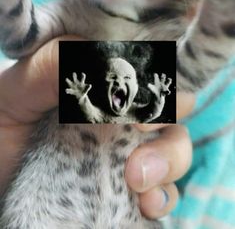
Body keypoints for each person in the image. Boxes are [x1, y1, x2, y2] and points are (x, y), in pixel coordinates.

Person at [0, 35, 194, 220]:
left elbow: (151, 112)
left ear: (137, 85)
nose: (119, 83)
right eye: (112, 79)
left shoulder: (138, 102)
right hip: (41, 207)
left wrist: (160, 96)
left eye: (127, 80)